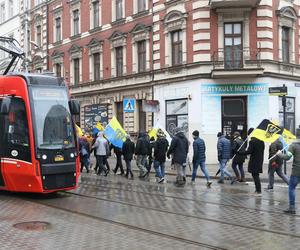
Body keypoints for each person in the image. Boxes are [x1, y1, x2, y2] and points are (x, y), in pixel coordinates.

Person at [278, 129, 300, 214]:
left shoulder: (294, 146)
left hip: (296, 171)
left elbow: (287, 157)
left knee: (292, 188)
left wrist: (280, 154)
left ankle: (292, 208)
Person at [244, 128, 265, 196]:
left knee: (255, 176)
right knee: (256, 175)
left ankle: (258, 191)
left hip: (254, 161)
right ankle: (257, 190)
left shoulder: (252, 141)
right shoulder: (261, 141)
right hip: (259, 160)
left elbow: (249, 151)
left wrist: (242, 152)